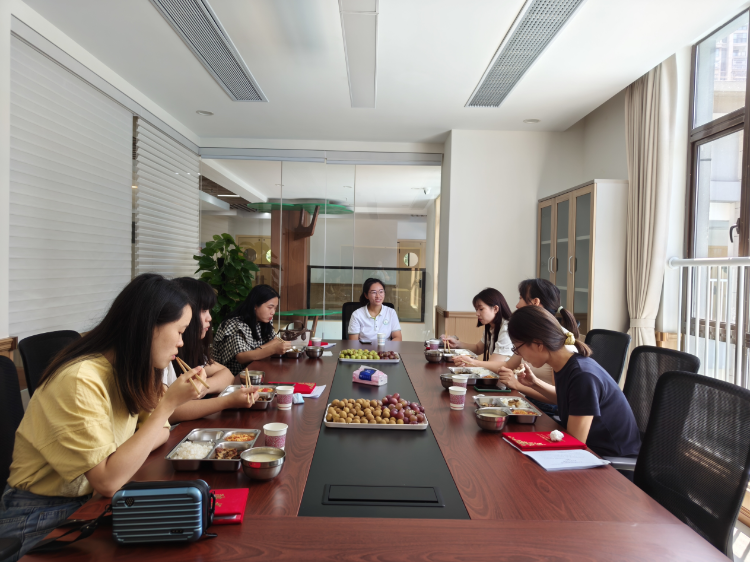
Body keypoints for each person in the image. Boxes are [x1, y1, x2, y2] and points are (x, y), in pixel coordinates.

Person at [0, 274, 204, 559]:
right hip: (40, 513)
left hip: (90, 499)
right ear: (149, 327)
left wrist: (133, 446)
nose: (181, 343)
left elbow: (161, 431)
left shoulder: (132, 370)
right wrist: (167, 405)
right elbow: (108, 481)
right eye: (180, 331)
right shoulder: (80, 379)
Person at [506, 305, 640, 458]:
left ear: (538, 344)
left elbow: (574, 445)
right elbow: (568, 400)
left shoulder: (582, 376)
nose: (519, 355)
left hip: (608, 458)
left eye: (517, 348)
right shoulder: (565, 364)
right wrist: (534, 383)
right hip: (590, 449)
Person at [166, 277, 259, 423]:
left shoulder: (191, 351)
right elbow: (169, 411)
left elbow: (227, 374)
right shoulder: (164, 355)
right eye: (204, 310)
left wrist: (204, 388)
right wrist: (228, 401)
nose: (209, 317)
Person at [496, 279, 581, 414]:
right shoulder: (533, 337)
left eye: (521, 298)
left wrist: (518, 385)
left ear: (535, 302)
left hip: (547, 409)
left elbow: (560, 397)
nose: (517, 305)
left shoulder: (558, 344)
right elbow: (508, 365)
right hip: (528, 399)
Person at [213, 284, 291, 375]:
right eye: (270, 307)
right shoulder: (235, 324)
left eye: (275, 308)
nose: (273, 312)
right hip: (233, 376)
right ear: (255, 305)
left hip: (255, 371)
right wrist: (272, 349)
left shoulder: (264, 319)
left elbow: (275, 340)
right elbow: (241, 357)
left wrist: (259, 350)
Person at [440, 288, 512, 370]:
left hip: (506, 375)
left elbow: (494, 364)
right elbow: (478, 348)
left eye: (481, 309)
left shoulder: (506, 329)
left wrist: (472, 362)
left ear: (495, 309)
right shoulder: (491, 326)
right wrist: (457, 344)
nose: (477, 313)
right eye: (476, 309)